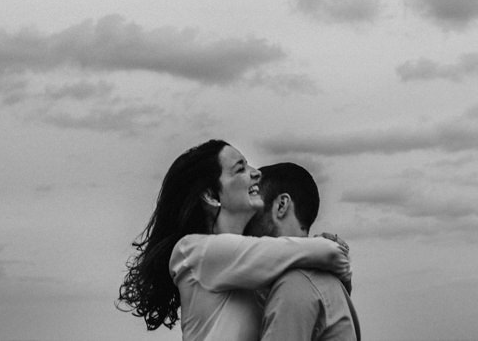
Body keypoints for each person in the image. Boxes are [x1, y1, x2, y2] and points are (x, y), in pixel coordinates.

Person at [119, 139, 350, 341]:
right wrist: (334, 258)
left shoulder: (252, 272)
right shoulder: (196, 252)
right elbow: (328, 253)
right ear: (211, 196)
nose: (256, 172)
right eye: (240, 169)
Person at [249, 163, 361, 341]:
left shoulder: (294, 286)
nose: (247, 213)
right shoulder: (321, 279)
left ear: (281, 205)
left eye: (253, 203)